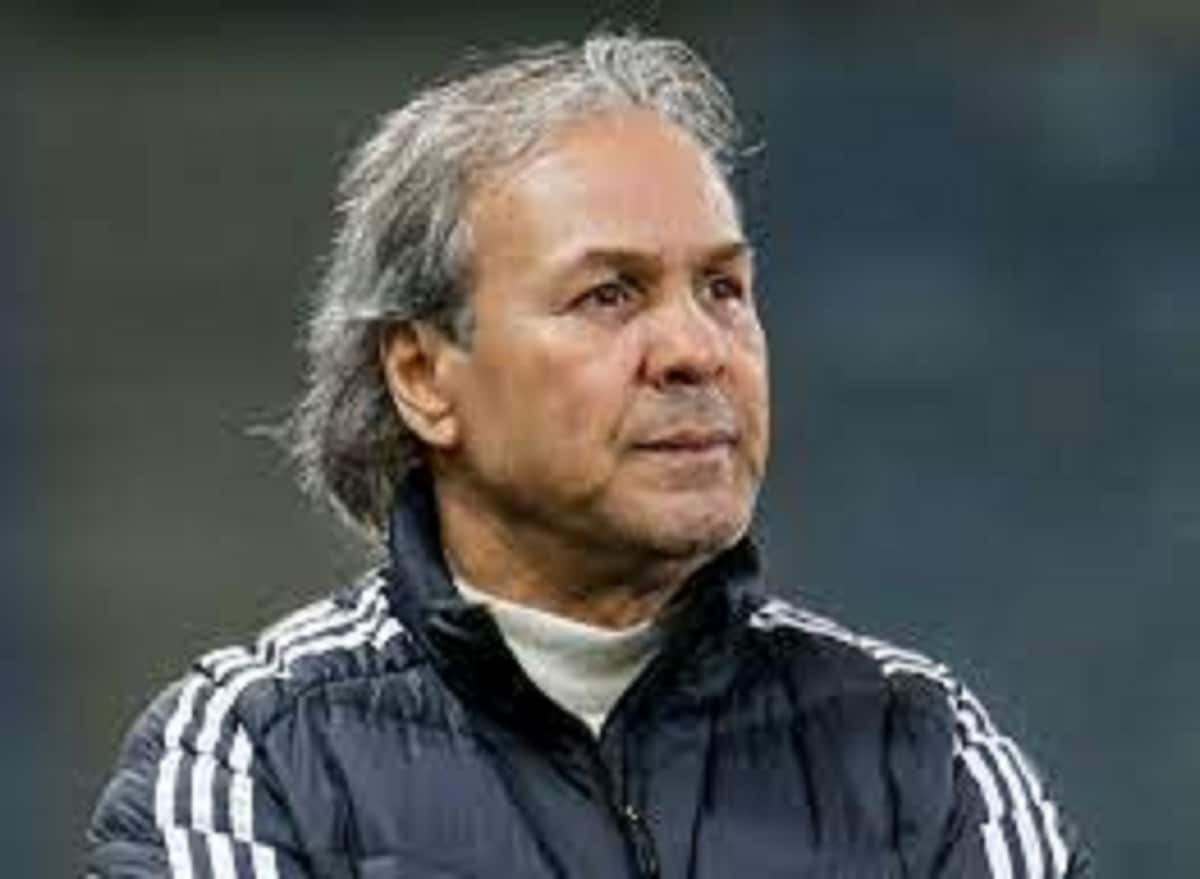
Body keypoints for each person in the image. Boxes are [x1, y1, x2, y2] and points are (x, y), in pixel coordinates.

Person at [86, 34, 1091, 878]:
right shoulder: (257, 759)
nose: (696, 349)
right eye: (609, 295)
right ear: (424, 376)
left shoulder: (919, 751)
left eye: (724, 289)